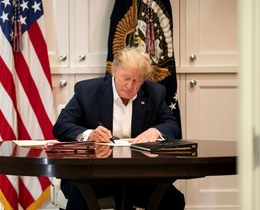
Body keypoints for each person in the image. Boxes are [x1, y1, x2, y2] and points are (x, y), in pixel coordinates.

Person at [52, 47, 185, 210]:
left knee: (173, 200)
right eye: (126, 78)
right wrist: (89, 134)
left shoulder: (155, 93)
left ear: (143, 80)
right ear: (114, 71)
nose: (130, 85)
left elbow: (172, 125)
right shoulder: (87, 91)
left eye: (136, 80)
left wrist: (156, 131)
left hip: (138, 176)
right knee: (80, 195)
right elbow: (61, 126)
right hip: (92, 175)